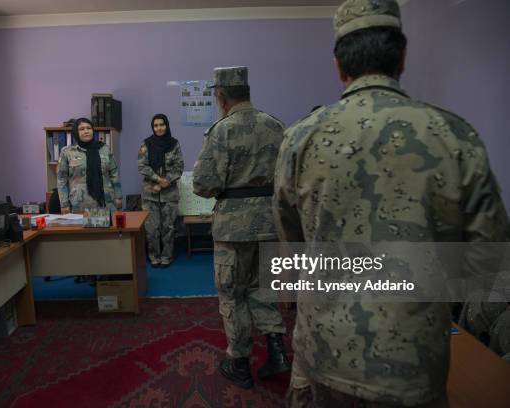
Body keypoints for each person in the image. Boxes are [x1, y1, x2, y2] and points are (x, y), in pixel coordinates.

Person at [273, 0, 510, 407]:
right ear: (403, 56)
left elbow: (292, 246)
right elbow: (488, 260)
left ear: (338, 65)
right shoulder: (454, 135)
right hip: (413, 360)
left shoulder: (300, 138)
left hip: (327, 352)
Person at [193, 66, 290, 389]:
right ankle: (277, 352)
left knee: (232, 295)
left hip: (233, 229)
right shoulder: (276, 126)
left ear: (220, 96)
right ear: (246, 91)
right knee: (264, 289)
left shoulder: (222, 131)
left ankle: (240, 365)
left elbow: (203, 184)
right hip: (269, 223)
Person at [137, 114, 185, 267]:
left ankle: (167, 257)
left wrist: (166, 181)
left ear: (167, 125)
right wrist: (158, 180)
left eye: (162, 124)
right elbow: (142, 166)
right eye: (156, 125)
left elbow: (179, 167)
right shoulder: (146, 144)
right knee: (152, 229)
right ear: (153, 127)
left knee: (168, 228)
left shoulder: (174, 144)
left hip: (169, 194)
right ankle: (154, 256)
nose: (159, 128)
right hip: (150, 194)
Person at [57, 117, 122, 214]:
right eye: (82, 129)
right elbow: (61, 180)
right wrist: (64, 204)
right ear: (76, 132)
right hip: (79, 205)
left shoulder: (104, 149)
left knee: (108, 229)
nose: (86, 131)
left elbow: (114, 173)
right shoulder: (67, 152)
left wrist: (118, 196)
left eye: (89, 128)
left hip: (105, 202)